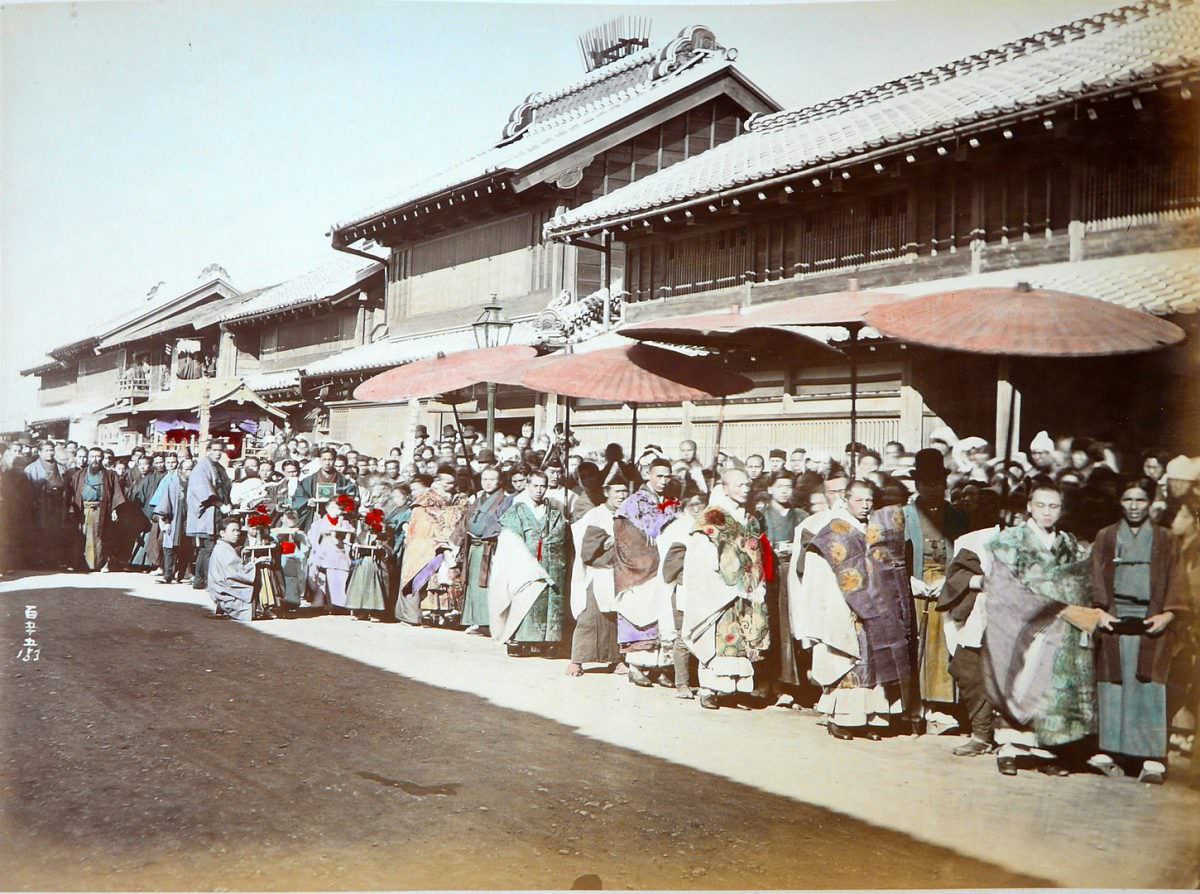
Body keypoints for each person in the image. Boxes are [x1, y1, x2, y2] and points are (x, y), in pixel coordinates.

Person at [984, 482, 1103, 777]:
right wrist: (1049, 603)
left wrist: (1073, 606)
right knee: (1017, 680)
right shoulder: (1011, 540)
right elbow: (1002, 587)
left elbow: (1078, 583)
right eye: (1041, 505)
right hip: (1020, 625)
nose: (1047, 512)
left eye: (1054, 506)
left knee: (1051, 689)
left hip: (1059, 629)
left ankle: (1047, 750)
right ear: (1028, 506)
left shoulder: (1069, 543)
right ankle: (1009, 749)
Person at [794, 480, 913, 738]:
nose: (865, 505)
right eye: (859, 500)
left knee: (874, 664)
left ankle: (872, 719)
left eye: (869, 500)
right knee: (849, 663)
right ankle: (842, 720)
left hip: (874, 606)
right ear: (846, 500)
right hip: (844, 604)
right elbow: (820, 574)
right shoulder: (833, 531)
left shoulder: (875, 529)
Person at [1088, 478, 1187, 784]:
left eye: (1140, 500)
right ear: (1120, 502)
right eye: (1128, 500)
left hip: (1151, 619)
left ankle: (1152, 757)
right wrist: (1100, 611)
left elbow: (1177, 582)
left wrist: (1168, 616)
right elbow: (1095, 577)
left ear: (1150, 503)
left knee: (1148, 687)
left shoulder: (1166, 539)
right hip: (1114, 618)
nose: (1133, 506)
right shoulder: (1106, 536)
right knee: (1113, 685)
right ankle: (1110, 752)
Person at [680, 468, 772, 709]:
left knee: (742, 640)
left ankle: (734, 689)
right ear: (726, 486)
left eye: (747, 485)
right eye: (739, 485)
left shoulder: (750, 518)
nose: (745, 489)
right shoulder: (713, 517)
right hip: (721, 589)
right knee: (717, 636)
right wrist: (718, 582)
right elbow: (701, 555)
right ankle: (708, 689)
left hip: (747, 588)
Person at [904, 448, 970, 734]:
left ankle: (940, 707)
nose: (932, 488)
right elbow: (895, 555)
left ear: (944, 485)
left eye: (936, 482)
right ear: (917, 484)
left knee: (942, 645)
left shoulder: (957, 516)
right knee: (913, 644)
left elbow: (966, 553)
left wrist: (949, 580)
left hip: (947, 585)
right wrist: (909, 579)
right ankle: (914, 707)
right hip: (915, 585)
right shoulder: (904, 515)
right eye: (925, 482)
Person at [612, 457, 679, 686]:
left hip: (662, 566)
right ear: (647, 475)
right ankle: (636, 665)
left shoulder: (670, 501)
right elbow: (626, 537)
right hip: (640, 566)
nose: (663, 481)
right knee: (640, 612)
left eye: (667, 476)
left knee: (664, 615)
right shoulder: (634, 502)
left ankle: (662, 667)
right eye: (659, 476)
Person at [937, 523, 1001, 756]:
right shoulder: (976, 539)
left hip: (1017, 614)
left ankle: (1008, 739)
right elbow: (957, 574)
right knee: (966, 666)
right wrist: (979, 581)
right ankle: (981, 734)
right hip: (980, 611)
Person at [494, 469, 568, 655]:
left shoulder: (554, 512)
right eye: (535, 486)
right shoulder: (517, 510)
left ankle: (548, 640)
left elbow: (560, 533)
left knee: (550, 597)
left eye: (543, 486)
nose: (539, 490)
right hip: (525, 563)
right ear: (527, 486)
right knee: (524, 596)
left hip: (550, 562)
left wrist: (549, 540)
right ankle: (519, 639)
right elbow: (510, 537)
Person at [566, 477, 628, 677]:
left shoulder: (627, 514)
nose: (622, 495)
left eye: (624, 491)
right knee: (589, 617)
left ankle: (616, 659)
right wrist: (606, 541)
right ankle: (577, 660)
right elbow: (587, 547)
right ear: (606, 492)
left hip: (619, 573)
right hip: (598, 572)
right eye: (617, 491)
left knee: (615, 619)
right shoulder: (595, 515)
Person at [759, 472, 808, 707]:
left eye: (789, 486)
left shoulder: (800, 516)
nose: (785, 491)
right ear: (770, 489)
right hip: (769, 576)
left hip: (793, 575)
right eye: (780, 487)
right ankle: (767, 682)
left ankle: (790, 685)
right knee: (770, 626)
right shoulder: (761, 516)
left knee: (791, 627)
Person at [398, 465, 469, 626]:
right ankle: (416, 615)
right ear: (437, 481)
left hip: (447, 543)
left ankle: (444, 615)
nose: (450, 487)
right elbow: (422, 523)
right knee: (421, 575)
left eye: (452, 483)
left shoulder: (458, 498)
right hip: (426, 543)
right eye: (446, 483)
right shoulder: (426, 499)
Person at [461, 467, 514, 635]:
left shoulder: (505, 500)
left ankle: (487, 622)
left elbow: (502, 522)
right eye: (484, 479)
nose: (488, 483)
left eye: (492, 479)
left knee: (487, 584)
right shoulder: (477, 499)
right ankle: (475, 620)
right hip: (474, 546)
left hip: (490, 548)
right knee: (473, 584)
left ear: (499, 481)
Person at [64, 447, 127, 572]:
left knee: (101, 537)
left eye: (98, 456)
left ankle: (103, 564)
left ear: (102, 458)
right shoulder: (78, 475)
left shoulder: (110, 475)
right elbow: (72, 494)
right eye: (92, 456)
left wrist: (114, 510)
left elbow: (116, 494)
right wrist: (72, 510)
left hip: (101, 510)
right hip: (83, 510)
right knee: (81, 536)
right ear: (88, 458)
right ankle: (80, 563)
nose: (95, 460)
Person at [186, 440, 232, 591]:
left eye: (220, 450)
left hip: (217, 511)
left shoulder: (218, 467)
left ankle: (200, 580)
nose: (218, 453)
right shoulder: (202, 467)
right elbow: (204, 491)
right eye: (215, 450)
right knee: (208, 547)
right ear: (207, 450)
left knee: (207, 548)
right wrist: (220, 504)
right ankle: (206, 579)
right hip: (207, 512)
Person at [24, 440, 72, 570]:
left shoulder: (61, 467)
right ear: (39, 452)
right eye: (46, 450)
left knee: (56, 531)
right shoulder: (31, 469)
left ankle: (55, 560)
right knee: (41, 531)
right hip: (41, 505)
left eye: (52, 450)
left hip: (58, 505)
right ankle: (40, 560)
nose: (50, 453)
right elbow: (27, 491)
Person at [306, 495, 357, 611]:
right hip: (323, 552)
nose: (336, 511)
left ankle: (337, 602)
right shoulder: (319, 523)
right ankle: (320, 597)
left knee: (340, 570)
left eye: (338, 509)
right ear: (327, 508)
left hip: (340, 553)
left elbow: (349, 540)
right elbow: (313, 540)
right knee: (321, 569)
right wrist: (318, 550)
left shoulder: (345, 524)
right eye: (333, 508)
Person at [206, 518, 261, 622]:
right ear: (222, 533)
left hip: (223, 585)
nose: (237, 533)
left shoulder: (224, 547)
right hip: (224, 589)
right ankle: (262, 606)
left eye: (238, 530)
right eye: (233, 530)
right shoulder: (223, 549)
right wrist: (254, 564)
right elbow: (238, 571)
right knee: (260, 571)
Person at [291, 446, 356, 530]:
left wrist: (340, 503)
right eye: (324, 459)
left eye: (330, 459)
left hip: (336, 517)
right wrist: (307, 501)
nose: (327, 463)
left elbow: (351, 498)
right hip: (314, 515)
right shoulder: (308, 480)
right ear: (320, 460)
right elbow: (298, 497)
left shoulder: (344, 481)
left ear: (334, 460)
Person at [153, 457, 194, 583]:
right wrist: (165, 521)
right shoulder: (174, 484)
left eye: (192, 469)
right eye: (187, 469)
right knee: (169, 549)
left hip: (189, 521)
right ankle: (168, 575)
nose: (190, 472)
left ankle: (181, 575)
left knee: (186, 549)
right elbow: (166, 503)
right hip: (174, 520)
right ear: (180, 470)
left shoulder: (195, 485)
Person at [345, 507, 391, 620]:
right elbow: (356, 546)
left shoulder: (384, 536)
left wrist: (382, 548)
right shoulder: (362, 534)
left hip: (376, 564)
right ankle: (360, 611)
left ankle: (376, 612)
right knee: (360, 587)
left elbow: (389, 552)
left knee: (375, 589)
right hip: (363, 563)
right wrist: (354, 547)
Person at [244, 509, 284, 620]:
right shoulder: (244, 540)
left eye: (258, 529)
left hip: (264, 567)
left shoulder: (266, 539)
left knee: (266, 573)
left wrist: (270, 545)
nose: (255, 532)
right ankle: (257, 607)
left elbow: (275, 546)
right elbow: (240, 552)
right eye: (252, 528)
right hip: (250, 567)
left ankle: (267, 606)